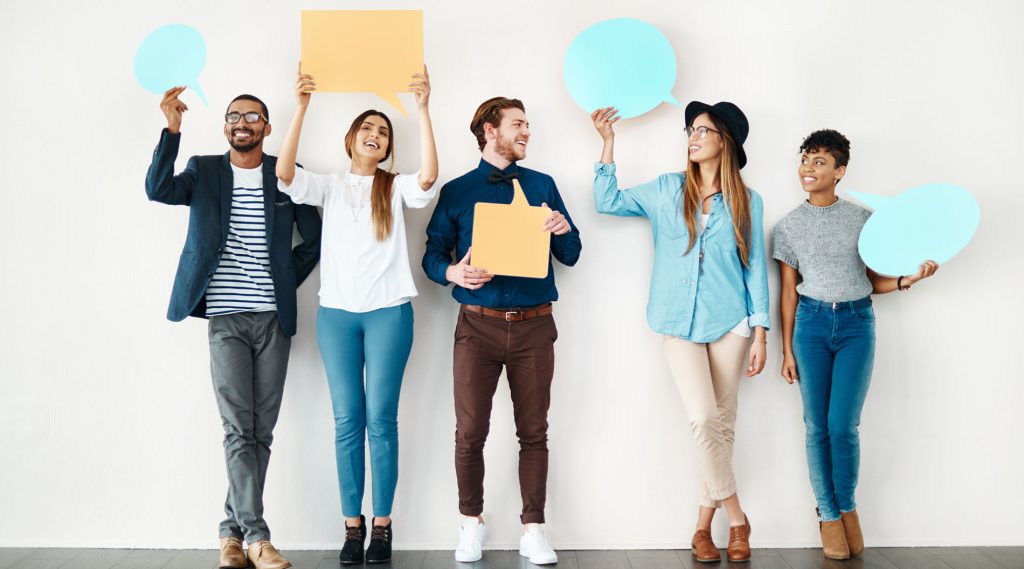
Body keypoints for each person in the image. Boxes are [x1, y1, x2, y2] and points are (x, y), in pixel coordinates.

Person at [145, 87, 322, 569]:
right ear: (226, 127)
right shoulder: (205, 169)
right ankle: (258, 539)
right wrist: (172, 131)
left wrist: (284, 274)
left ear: (267, 127)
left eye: (253, 116)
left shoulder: (286, 174)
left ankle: (229, 535)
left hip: (273, 319)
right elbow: (157, 189)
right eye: (233, 116)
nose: (242, 122)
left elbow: (316, 237)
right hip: (224, 318)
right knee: (236, 430)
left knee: (260, 432)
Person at [590, 101, 769, 563]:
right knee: (703, 419)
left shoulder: (749, 201)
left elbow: (754, 270)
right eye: (690, 129)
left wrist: (761, 331)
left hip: (731, 322)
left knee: (722, 426)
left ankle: (701, 528)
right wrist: (608, 144)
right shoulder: (667, 190)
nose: (692, 136)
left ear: (725, 141)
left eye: (703, 130)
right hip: (676, 321)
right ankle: (737, 518)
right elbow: (606, 201)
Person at [275, 65, 438, 565]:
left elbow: (429, 176)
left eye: (383, 132)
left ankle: (383, 527)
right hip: (337, 317)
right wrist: (301, 106)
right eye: (367, 128)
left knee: (381, 421)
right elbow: (283, 175)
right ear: (351, 141)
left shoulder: (395, 187)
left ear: (388, 148)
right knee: (347, 421)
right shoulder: (329, 186)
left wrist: (423, 108)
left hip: (388, 315)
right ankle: (352, 526)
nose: (375, 135)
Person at [422, 97, 581, 565]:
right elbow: (431, 255)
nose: (527, 133)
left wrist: (562, 228)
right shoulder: (456, 191)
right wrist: (452, 274)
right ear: (490, 131)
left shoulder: (544, 184)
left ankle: (533, 529)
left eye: (527, 125)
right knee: (469, 433)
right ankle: (470, 523)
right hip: (477, 327)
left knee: (534, 431)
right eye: (518, 125)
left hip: (535, 327)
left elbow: (571, 255)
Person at [772, 129, 938, 560]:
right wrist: (787, 349)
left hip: (855, 324)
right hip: (809, 325)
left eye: (819, 162)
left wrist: (908, 280)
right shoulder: (788, 226)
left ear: (840, 171)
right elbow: (788, 293)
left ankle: (847, 508)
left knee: (843, 427)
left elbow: (871, 281)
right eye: (805, 159)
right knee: (816, 427)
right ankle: (828, 514)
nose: (808, 168)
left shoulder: (863, 220)